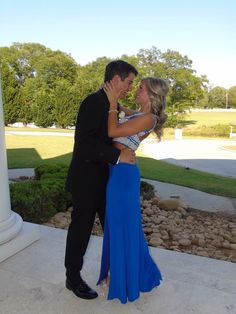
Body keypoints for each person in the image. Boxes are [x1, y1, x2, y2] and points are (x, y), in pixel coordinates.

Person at [64, 60, 138, 300]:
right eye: (128, 82)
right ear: (116, 79)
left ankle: (118, 273)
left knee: (113, 227)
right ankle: (72, 278)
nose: (129, 87)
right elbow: (85, 144)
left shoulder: (111, 105)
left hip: (106, 181)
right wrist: (119, 156)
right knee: (81, 230)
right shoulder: (93, 103)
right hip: (86, 180)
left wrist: (124, 110)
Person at [97, 77, 169, 304]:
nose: (136, 90)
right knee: (119, 225)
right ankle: (121, 274)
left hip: (124, 176)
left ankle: (120, 277)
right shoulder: (138, 114)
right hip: (117, 170)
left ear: (151, 94)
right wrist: (111, 96)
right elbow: (121, 108)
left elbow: (112, 130)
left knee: (122, 225)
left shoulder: (148, 118)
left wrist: (111, 104)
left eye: (140, 88)